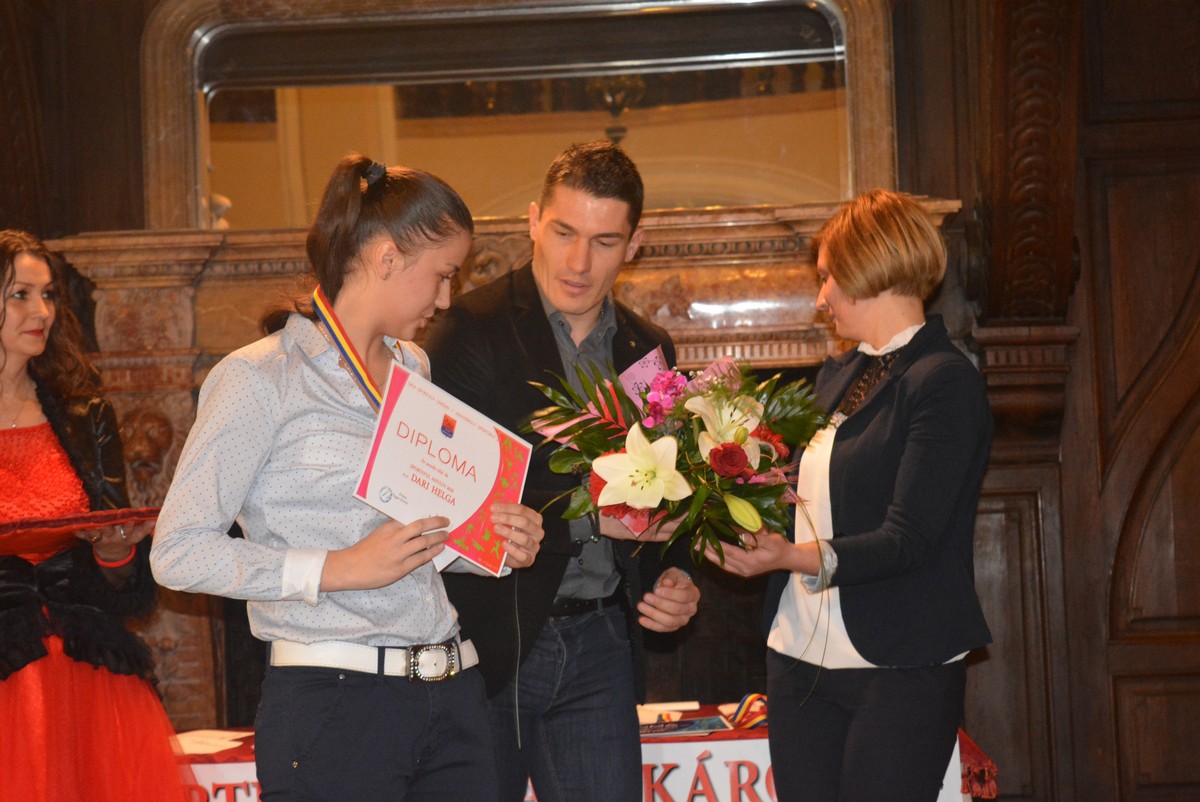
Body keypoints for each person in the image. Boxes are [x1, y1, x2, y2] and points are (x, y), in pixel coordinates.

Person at [151, 154, 545, 801]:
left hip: (454, 693)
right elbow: (178, 553)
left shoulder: (413, 366)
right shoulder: (258, 377)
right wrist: (335, 568)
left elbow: (403, 534)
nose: (446, 299)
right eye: (443, 275)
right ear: (387, 258)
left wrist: (491, 542)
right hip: (334, 704)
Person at [423, 140, 701, 802]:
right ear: (533, 221)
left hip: (603, 640)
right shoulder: (468, 329)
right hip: (487, 642)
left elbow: (667, 488)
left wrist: (678, 575)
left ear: (634, 245)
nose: (578, 263)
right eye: (564, 232)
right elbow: (445, 497)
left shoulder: (647, 350)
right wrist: (590, 516)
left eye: (604, 242)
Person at [707, 189, 993, 801]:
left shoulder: (944, 382)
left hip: (901, 663)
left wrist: (788, 557)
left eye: (827, 277)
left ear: (870, 268)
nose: (821, 298)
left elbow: (908, 539)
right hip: (798, 659)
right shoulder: (837, 374)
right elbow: (809, 497)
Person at [0, 229, 190, 800]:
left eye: (49, 295)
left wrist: (115, 552)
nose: (42, 312)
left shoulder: (87, 415)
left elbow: (122, 580)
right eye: (20, 294)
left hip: (84, 669)